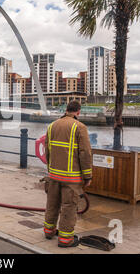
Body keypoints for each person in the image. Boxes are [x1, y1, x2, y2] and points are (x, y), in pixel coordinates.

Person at [43, 100, 92, 248]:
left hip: (54, 174)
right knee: (69, 207)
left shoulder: (52, 126)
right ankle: (65, 239)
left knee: (52, 203)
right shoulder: (80, 127)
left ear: (66, 110)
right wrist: (88, 175)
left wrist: (50, 169)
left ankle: (48, 231)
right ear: (78, 111)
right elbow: (85, 153)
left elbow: (47, 149)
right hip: (71, 177)